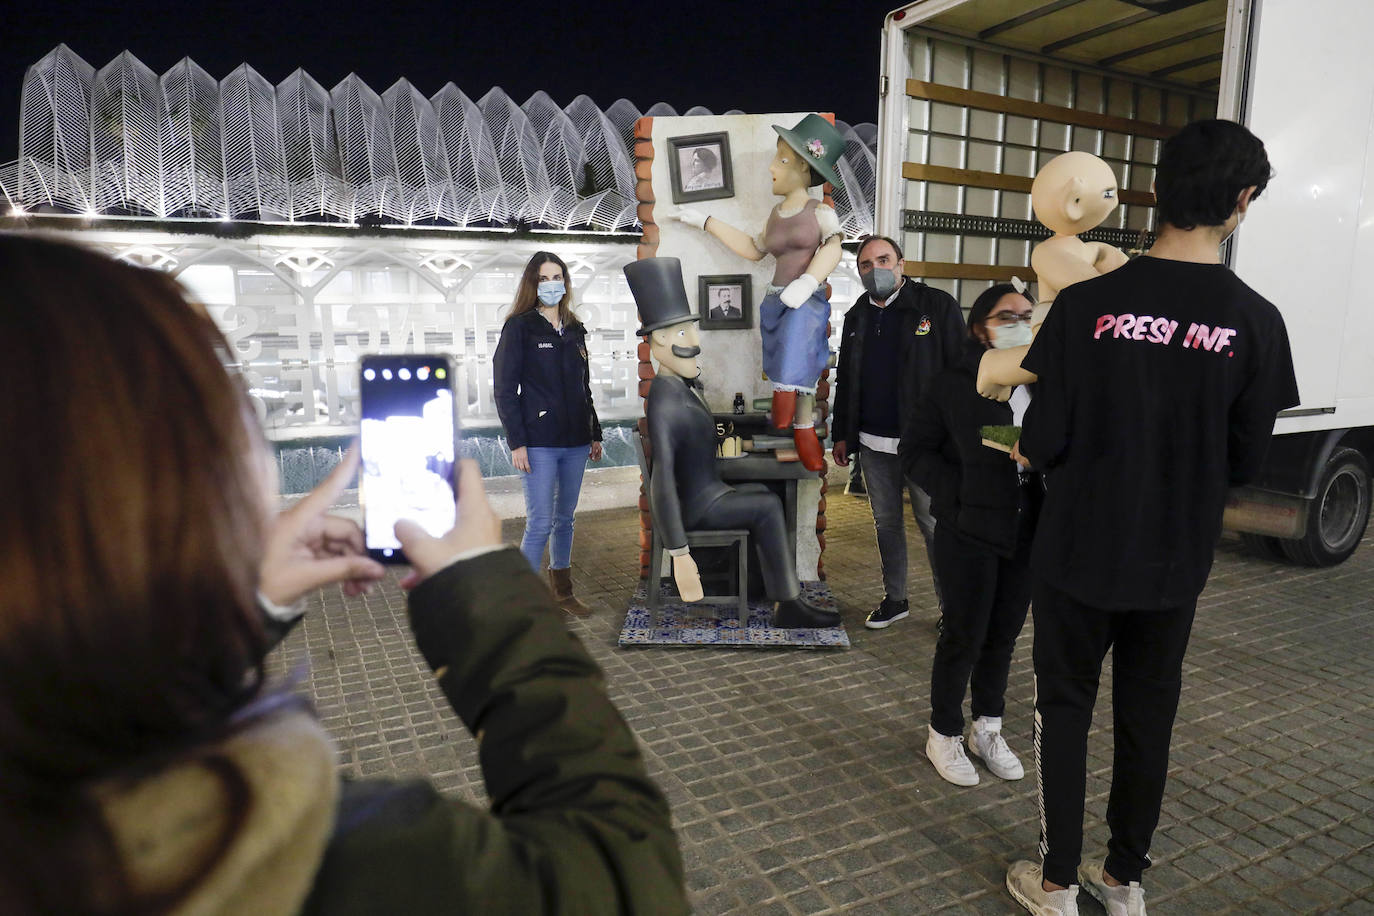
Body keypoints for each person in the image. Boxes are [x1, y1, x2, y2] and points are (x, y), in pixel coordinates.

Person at [0, 235, 687, 915]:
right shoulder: (319, 858)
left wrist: (243, 607)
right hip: (539, 441)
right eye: (227, 403)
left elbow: (84, 699)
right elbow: (622, 869)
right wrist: (488, 591)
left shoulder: (46, 778)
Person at [1004, 120, 1300, 916]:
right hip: (1174, 560)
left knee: (1063, 710)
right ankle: (1124, 881)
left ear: (1156, 190)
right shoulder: (1257, 320)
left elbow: (1043, 438)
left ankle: (1057, 884)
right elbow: (1245, 465)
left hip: (1075, 552)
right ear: (1241, 202)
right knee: (1149, 715)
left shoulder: (1086, 305)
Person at [628, 257, 841, 630]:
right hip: (698, 507)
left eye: (691, 332)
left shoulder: (679, 387)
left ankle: (764, 586)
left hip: (710, 492)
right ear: (657, 342)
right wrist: (679, 554)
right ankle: (788, 603)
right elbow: (661, 480)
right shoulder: (664, 399)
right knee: (767, 504)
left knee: (760, 489)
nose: (694, 343)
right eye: (681, 335)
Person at [907, 284, 1039, 787]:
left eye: (1027, 315)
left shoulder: (1041, 381)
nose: (1019, 323)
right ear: (980, 326)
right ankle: (943, 732)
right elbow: (916, 451)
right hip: (969, 526)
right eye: (1007, 316)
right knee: (964, 633)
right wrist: (959, 491)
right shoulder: (954, 382)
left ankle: (988, 727)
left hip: (1026, 524)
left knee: (1003, 635)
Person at [670, 113, 850, 471]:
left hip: (804, 298)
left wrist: (809, 281)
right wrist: (707, 222)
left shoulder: (821, 212)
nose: (772, 168)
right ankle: (801, 427)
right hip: (776, 298)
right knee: (786, 354)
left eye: (781, 160)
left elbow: (833, 247)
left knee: (800, 349)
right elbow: (754, 249)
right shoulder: (775, 214)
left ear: (802, 167)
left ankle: (800, 426)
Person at [830, 234, 965, 629]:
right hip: (873, 442)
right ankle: (895, 598)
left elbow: (960, 373)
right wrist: (843, 433)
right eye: (866, 265)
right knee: (886, 523)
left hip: (925, 444)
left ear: (902, 264)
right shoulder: (857, 314)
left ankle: (953, 607)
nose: (876, 270)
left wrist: (956, 436)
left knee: (935, 524)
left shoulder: (935, 306)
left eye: (884, 260)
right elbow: (848, 379)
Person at [493, 250, 603, 614]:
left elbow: (584, 385)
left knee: (565, 519)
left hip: (575, 440)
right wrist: (517, 442)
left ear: (565, 283)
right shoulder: (520, 327)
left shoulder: (574, 328)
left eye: (558, 277)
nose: (552, 284)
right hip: (539, 442)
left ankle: (563, 592)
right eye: (544, 278)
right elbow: (505, 390)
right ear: (532, 283)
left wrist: (595, 432)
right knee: (540, 521)